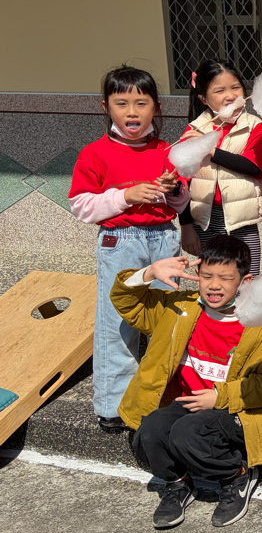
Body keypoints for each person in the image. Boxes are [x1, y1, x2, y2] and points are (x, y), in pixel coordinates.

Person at [111, 236, 262, 529]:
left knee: (188, 433)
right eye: (206, 276)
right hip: (187, 404)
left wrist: (220, 397)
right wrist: (149, 272)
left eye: (225, 278)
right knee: (151, 429)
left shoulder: (259, 326)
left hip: (236, 411)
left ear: (245, 281)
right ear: (196, 274)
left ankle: (236, 476)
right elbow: (128, 303)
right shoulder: (178, 308)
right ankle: (178, 482)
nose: (214, 285)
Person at [69, 65, 189, 432]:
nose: (132, 112)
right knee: (117, 323)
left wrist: (175, 190)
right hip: (119, 242)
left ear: (156, 107)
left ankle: (164, 400)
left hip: (164, 238)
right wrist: (125, 196)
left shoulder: (170, 151)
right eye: (122, 103)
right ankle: (112, 406)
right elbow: (81, 207)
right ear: (106, 107)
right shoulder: (94, 153)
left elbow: (181, 204)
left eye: (141, 103)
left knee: (168, 320)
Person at [178, 58, 262, 273]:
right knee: (212, 279)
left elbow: (253, 166)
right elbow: (182, 183)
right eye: (219, 91)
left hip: (242, 220)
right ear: (203, 98)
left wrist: (211, 151)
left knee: (247, 278)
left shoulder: (254, 127)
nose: (230, 96)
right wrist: (186, 226)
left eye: (236, 87)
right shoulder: (194, 130)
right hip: (204, 220)